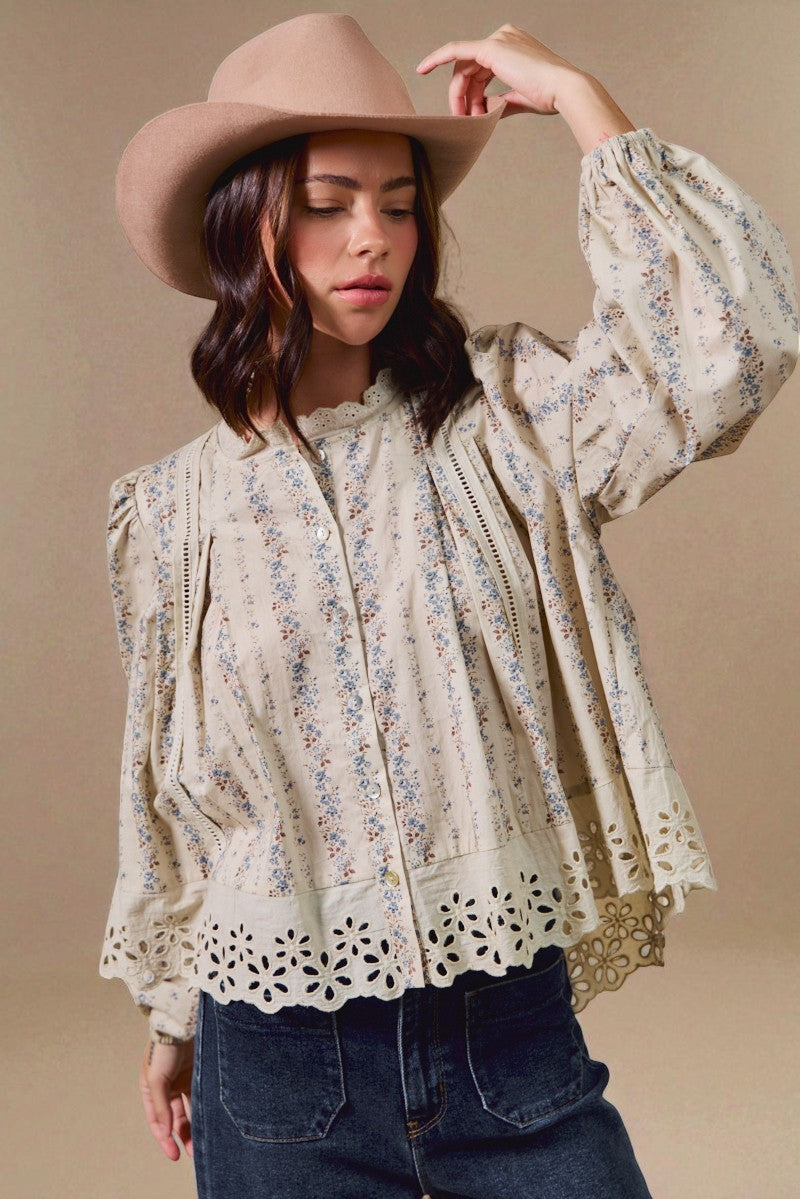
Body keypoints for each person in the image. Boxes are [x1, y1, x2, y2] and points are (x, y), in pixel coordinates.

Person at [99, 13, 798, 1199]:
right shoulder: (167, 515)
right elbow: (179, 787)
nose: (371, 237)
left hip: (506, 1041)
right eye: (324, 202)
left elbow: (725, 351)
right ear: (243, 220)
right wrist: (175, 1017)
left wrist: (580, 97)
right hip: (271, 1065)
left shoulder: (509, 423)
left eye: (397, 201)